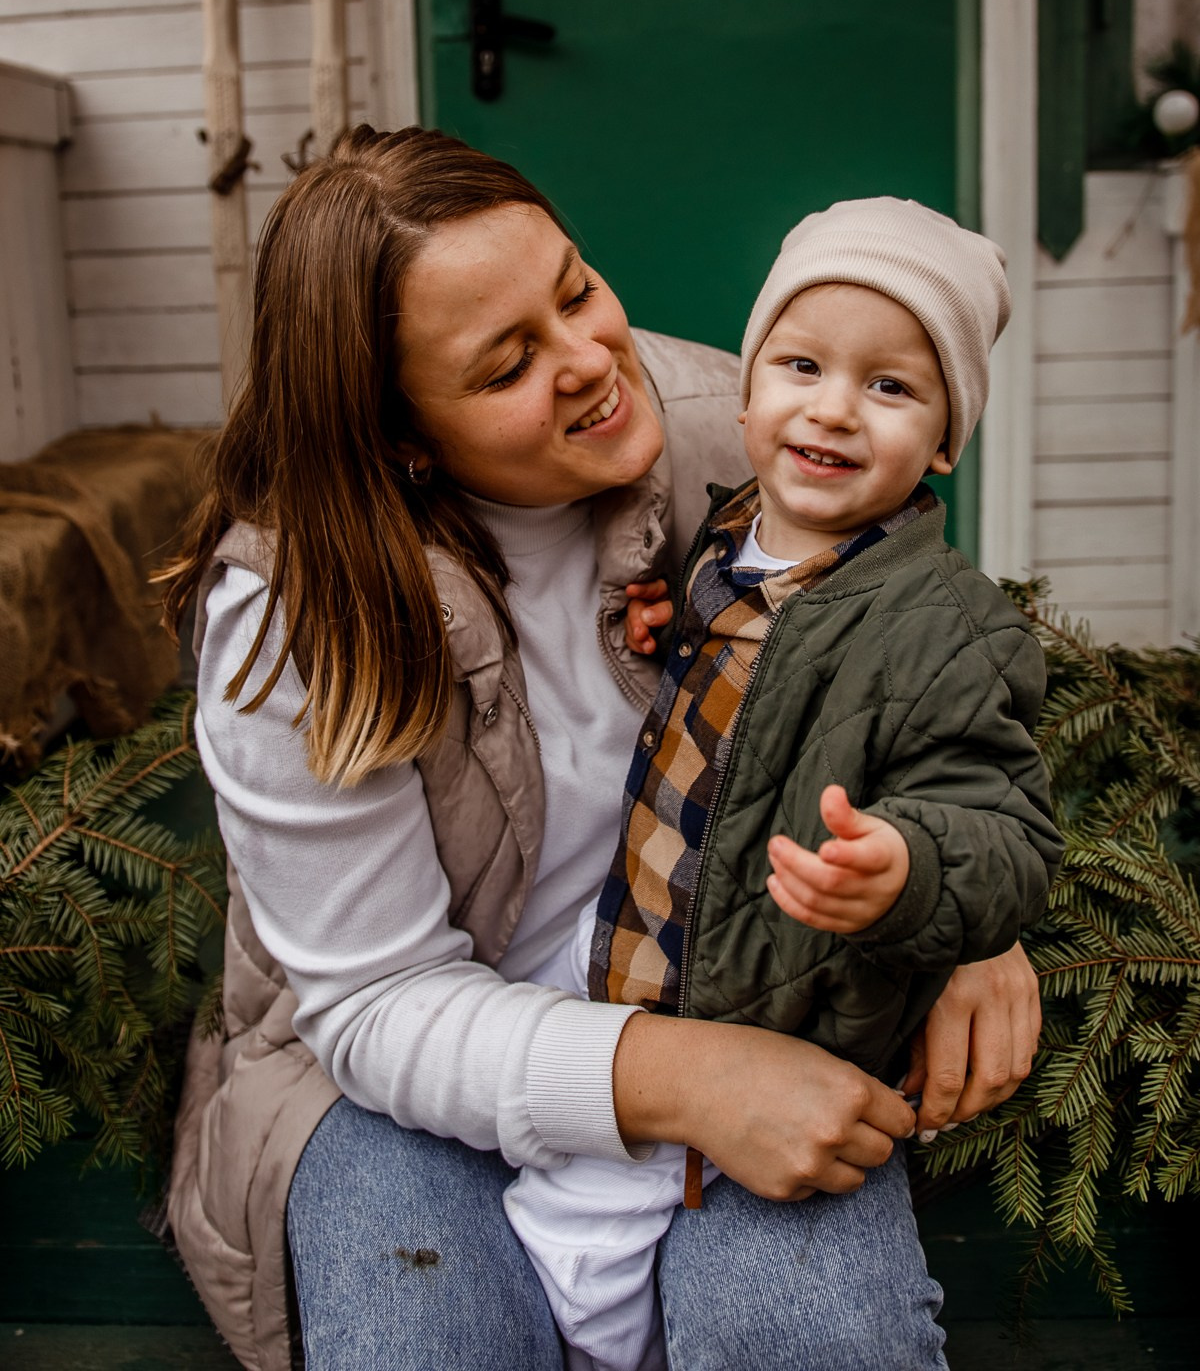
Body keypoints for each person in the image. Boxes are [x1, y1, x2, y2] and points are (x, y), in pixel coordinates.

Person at [162, 128, 1046, 1371]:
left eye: (575, 288)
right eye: (507, 363)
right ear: (401, 435)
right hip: (399, 1074)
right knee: (428, 1338)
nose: (592, 361)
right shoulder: (300, 605)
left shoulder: (730, 428)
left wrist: (961, 916)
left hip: (741, 985)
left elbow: (919, 675)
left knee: (809, 1330)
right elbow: (371, 1001)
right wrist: (685, 1079)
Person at [502, 198, 1063, 1371]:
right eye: (802, 366)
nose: (834, 408)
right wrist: (661, 634)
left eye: (892, 389)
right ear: (748, 395)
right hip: (637, 983)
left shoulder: (950, 631)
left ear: (947, 441)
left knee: (637, 1291)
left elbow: (1004, 826)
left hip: (781, 1023)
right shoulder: (722, 546)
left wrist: (909, 868)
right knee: (566, 1261)